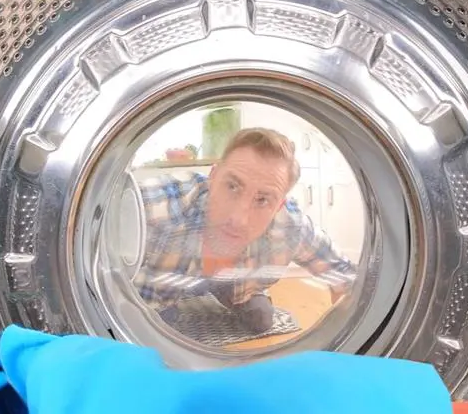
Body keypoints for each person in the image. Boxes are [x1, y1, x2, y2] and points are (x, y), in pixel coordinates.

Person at [132, 127, 356, 333]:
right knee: (155, 325)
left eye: (262, 200)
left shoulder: (290, 226)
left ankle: (246, 292)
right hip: (165, 286)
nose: (238, 220)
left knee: (261, 320)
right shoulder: (159, 205)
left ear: (279, 206)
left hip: (236, 283)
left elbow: (346, 278)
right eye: (232, 186)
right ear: (213, 176)